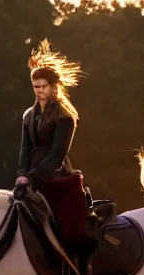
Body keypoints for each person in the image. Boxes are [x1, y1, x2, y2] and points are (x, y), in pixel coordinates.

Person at [13, 39, 89, 253]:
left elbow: (58, 152)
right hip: (30, 178)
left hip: (57, 177)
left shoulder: (65, 117)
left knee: (70, 232)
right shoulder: (28, 116)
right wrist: (22, 174)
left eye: (43, 86)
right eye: (35, 87)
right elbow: (25, 149)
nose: (38, 90)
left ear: (54, 86)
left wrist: (37, 174)